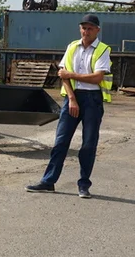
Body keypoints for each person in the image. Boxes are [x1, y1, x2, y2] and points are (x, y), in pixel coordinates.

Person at [26, 13, 113, 198]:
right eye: (83, 27)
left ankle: (83, 185)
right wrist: (72, 99)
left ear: (97, 30)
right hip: (72, 98)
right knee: (60, 142)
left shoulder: (103, 50)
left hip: (92, 101)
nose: (86, 31)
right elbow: (62, 75)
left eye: (90, 28)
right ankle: (48, 181)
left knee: (88, 145)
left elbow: (97, 77)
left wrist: (71, 75)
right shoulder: (72, 47)